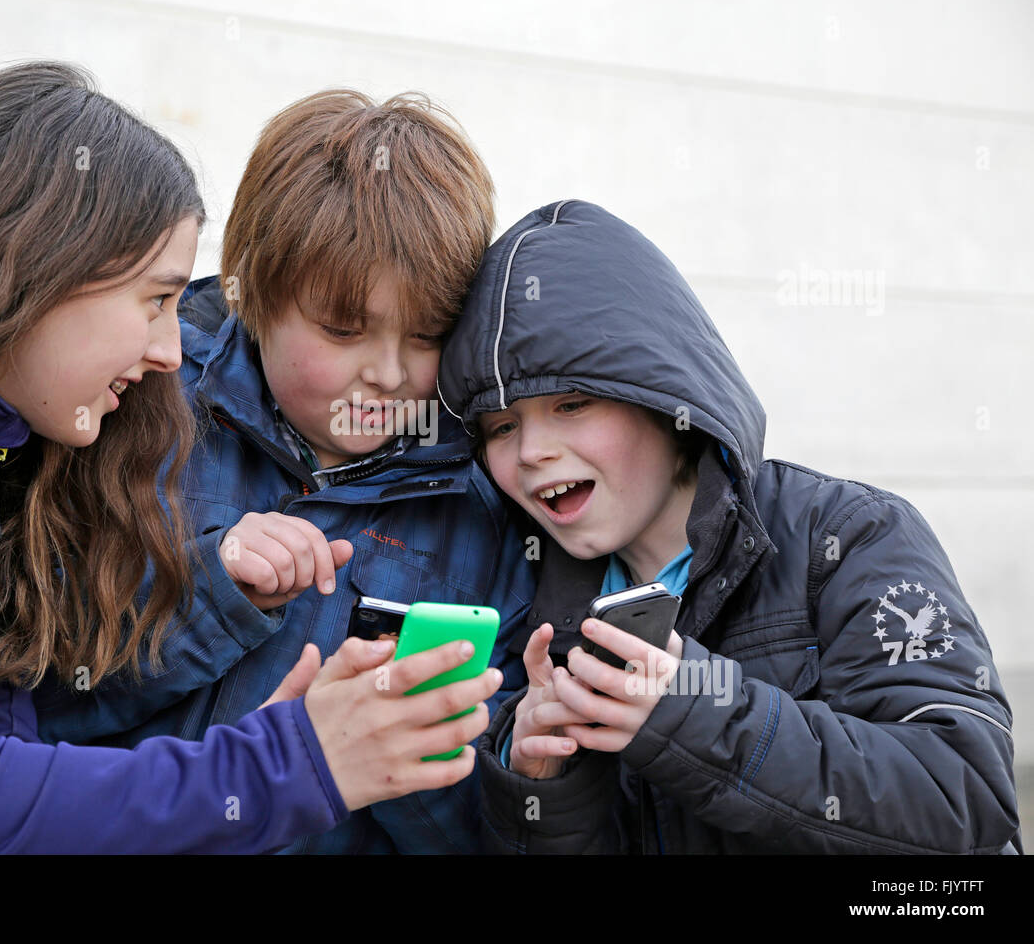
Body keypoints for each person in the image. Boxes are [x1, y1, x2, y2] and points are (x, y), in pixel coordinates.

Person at [0, 62, 502, 854]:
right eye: (158, 300)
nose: (173, 348)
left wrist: (259, 764)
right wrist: (292, 761)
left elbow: (10, 739)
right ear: (42, 270)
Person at [437, 199, 1021, 853]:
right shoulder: (526, 600)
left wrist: (692, 706)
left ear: (663, 395)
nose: (530, 452)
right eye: (501, 427)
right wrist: (539, 785)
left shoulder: (853, 535)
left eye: (571, 404)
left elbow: (964, 797)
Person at [35, 90, 533, 853]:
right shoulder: (133, 407)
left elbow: (482, 833)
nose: (390, 374)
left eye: (429, 333)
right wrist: (214, 592)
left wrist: (393, 746)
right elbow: (31, 696)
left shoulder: (492, 508)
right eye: (343, 328)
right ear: (256, 294)